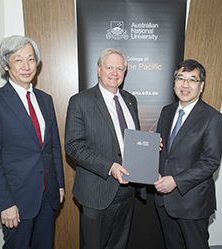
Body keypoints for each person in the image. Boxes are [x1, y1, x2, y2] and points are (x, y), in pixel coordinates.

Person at [0, 35, 65, 248]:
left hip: (47, 196)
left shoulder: (45, 99)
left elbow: (52, 148)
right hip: (16, 199)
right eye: (18, 60)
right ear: (6, 65)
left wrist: (59, 184)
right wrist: (4, 203)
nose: (26, 66)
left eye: (31, 59)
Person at [65, 48, 145, 249]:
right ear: (99, 69)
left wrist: (148, 147)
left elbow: (132, 140)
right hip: (97, 192)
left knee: (119, 244)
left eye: (120, 68)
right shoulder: (80, 101)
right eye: (109, 67)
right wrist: (110, 166)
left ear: (125, 72)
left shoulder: (130, 100)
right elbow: (74, 146)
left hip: (127, 190)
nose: (114, 72)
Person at [154, 59, 222, 249]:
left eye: (192, 80)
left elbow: (210, 162)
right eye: (180, 78)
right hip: (164, 201)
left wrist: (175, 181)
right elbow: (163, 152)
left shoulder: (213, 118)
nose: (185, 85)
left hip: (192, 203)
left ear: (201, 86)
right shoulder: (167, 111)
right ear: (174, 82)